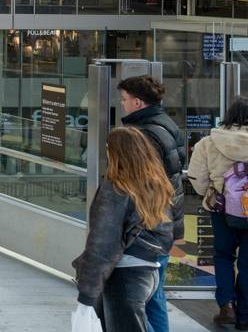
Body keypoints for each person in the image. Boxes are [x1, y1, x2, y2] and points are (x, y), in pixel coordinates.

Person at [73, 127, 173, 332]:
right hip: (148, 270)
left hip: (124, 275)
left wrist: (87, 292)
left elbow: (102, 242)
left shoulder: (116, 187)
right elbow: (167, 230)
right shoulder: (156, 184)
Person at [118, 75, 185, 332]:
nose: (122, 104)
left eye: (124, 99)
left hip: (148, 227)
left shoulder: (144, 135)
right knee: (154, 295)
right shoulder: (167, 125)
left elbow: (141, 185)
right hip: (165, 224)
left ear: (137, 102)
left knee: (135, 301)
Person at [187, 97, 248, 329]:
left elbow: (197, 177)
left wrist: (212, 195)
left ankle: (226, 306)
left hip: (221, 209)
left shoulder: (210, 142)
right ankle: (245, 316)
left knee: (223, 256)